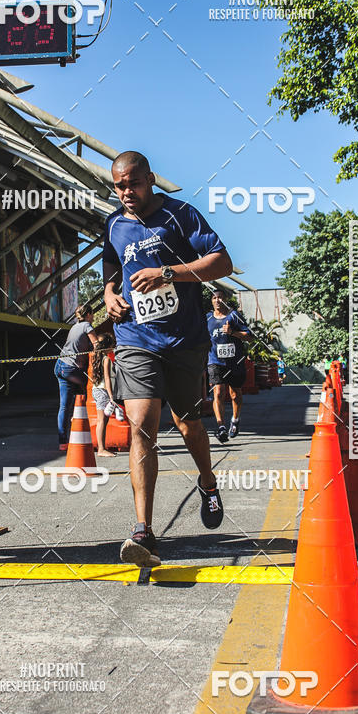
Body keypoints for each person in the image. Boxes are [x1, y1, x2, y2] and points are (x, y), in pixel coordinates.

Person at [103, 150, 233, 567]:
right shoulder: (114, 224)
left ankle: (207, 482)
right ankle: (143, 531)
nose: (126, 192)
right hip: (135, 339)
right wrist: (109, 295)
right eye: (119, 186)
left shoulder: (180, 215)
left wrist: (168, 273)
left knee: (188, 423)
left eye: (133, 184)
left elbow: (222, 262)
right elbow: (111, 268)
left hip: (183, 340)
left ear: (151, 179)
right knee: (142, 424)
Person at [206, 289, 250, 442]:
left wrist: (232, 332)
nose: (217, 300)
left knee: (235, 394)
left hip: (234, 361)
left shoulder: (234, 316)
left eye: (220, 298)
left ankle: (235, 420)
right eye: (214, 298)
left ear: (225, 300)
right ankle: (221, 427)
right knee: (218, 392)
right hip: (215, 361)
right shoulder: (207, 318)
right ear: (211, 301)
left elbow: (249, 336)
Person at [55, 303, 100, 450]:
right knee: (88, 388)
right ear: (88, 315)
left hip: (60, 365)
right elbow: (97, 345)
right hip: (70, 368)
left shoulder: (74, 327)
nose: (93, 317)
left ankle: (63, 442)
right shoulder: (87, 326)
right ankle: (81, 421)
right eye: (92, 314)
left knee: (64, 406)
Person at [90, 333, 123, 458]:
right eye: (112, 345)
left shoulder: (97, 358)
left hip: (96, 389)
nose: (113, 348)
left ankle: (102, 447)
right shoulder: (107, 360)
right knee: (102, 421)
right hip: (103, 391)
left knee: (103, 420)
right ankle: (101, 449)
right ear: (108, 346)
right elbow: (108, 379)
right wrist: (111, 396)